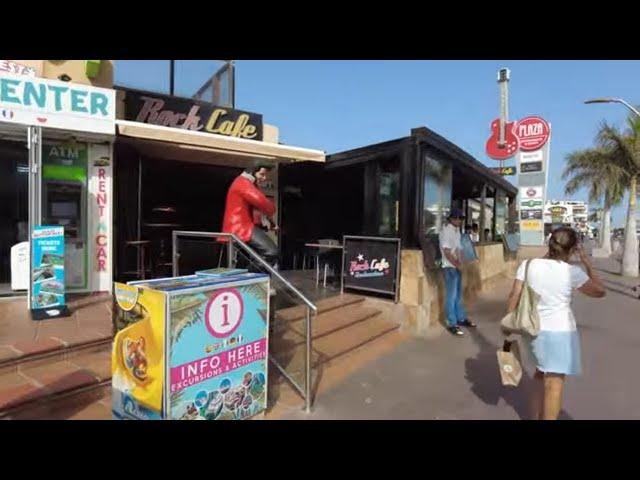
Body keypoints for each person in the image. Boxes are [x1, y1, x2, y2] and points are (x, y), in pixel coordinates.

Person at [505, 227, 606, 420]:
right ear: (572, 248)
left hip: (533, 331)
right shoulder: (572, 273)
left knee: (539, 375)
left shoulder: (528, 265)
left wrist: (507, 326)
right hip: (560, 333)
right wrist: (586, 262)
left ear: (550, 244)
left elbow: (514, 295)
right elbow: (600, 291)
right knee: (554, 384)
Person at [222, 165, 279, 268]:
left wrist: (271, 223)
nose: (264, 178)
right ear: (252, 171)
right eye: (262, 174)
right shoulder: (243, 183)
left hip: (243, 226)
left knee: (246, 259)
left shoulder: (247, 183)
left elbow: (259, 208)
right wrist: (271, 209)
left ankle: (250, 278)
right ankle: (255, 278)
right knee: (271, 251)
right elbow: (264, 204)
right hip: (241, 227)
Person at [439, 208, 476, 337]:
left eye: (461, 218)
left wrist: (462, 263)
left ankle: (461, 318)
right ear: (451, 219)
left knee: (459, 295)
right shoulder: (446, 231)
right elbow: (447, 252)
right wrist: (456, 264)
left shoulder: (457, 232)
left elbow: (459, 249)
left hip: (457, 267)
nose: (459, 220)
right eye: (457, 218)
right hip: (449, 267)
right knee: (451, 295)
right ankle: (451, 323)